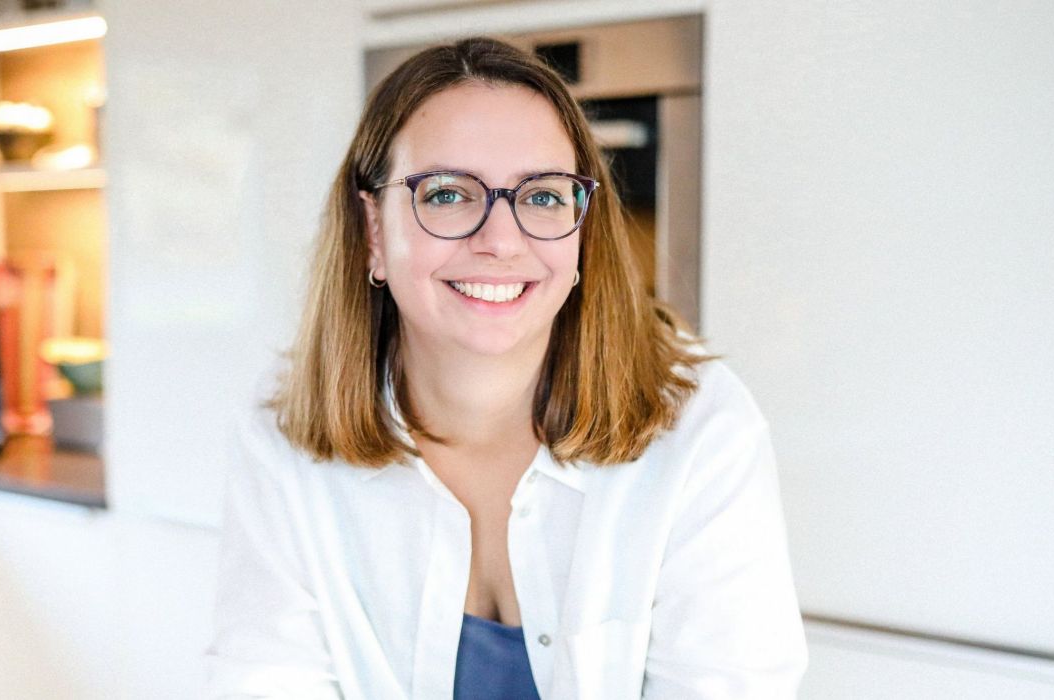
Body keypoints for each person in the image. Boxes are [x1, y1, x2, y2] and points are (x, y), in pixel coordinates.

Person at [205, 37, 806, 699]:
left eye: (542, 197)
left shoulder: (698, 425)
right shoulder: (284, 430)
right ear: (373, 230)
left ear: (582, 228)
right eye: (447, 194)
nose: (500, 240)